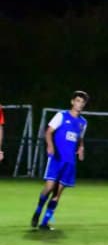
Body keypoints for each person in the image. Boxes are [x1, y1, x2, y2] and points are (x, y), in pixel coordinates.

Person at [31, 91, 89, 230]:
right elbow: (48, 132)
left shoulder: (83, 122)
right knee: (49, 188)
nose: (80, 104)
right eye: (78, 101)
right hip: (57, 158)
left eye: (82, 102)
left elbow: (80, 138)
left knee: (57, 193)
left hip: (70, 162)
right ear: (72, 102)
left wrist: (81, 147)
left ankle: (44, 223)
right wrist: (50, 146)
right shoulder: (61, 115)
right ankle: (37, 211)